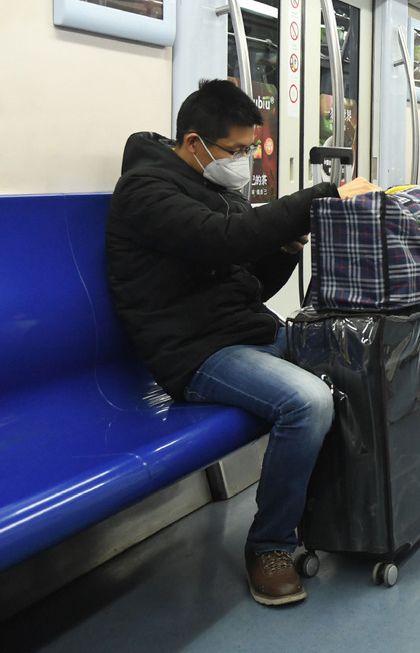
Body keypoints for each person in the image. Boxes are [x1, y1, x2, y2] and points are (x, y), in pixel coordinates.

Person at [105, 79, 380, 606]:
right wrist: (321, 197)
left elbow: (248, 281)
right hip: (195, 354)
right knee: (308, 401)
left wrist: (283, 247)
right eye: (236, 151)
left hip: (243, 333)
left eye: (250, 150)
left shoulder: (211, 190)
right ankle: (269, 546)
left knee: (354, 362)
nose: (245, 162)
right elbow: (224, 240)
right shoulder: (145, 192)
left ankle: (339, 516)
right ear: (193, 144)